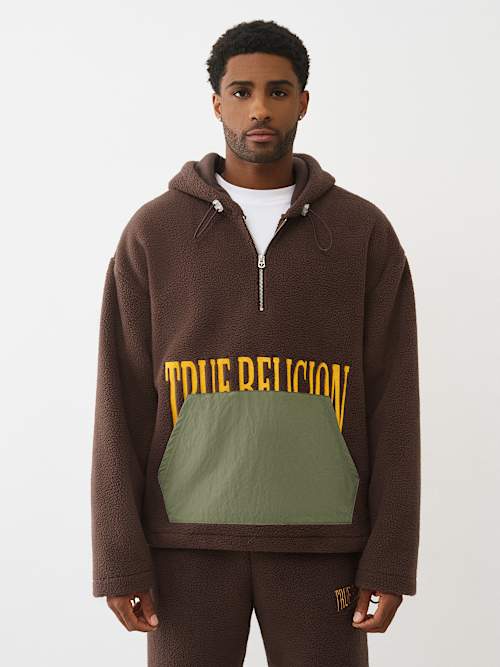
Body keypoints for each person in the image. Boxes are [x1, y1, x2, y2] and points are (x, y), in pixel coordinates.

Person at [91, 19, 421, 667]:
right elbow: (120, 399)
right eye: (241, 92)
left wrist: (390, 556)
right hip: (184, 545)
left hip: (324, 541)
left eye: (278, 91)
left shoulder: (362, 232)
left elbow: (395, 402)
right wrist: (119, 556)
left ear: (304, 101)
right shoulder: (154, 232)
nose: (260, 108)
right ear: (217, 103)